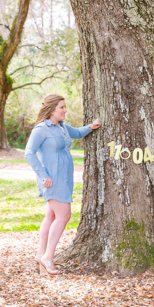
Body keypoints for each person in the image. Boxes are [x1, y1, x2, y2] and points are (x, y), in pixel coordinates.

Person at [25, 94, 101, 276]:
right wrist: (43, 175)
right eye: (61, 107)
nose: (65, 110)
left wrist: (90, 127)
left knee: (50, 216)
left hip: (63, 178)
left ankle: (40, 255)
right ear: (52, 110)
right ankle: (48, 257)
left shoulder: (62, 127)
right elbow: (29, 153)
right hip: (52, 179)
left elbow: (76, 133)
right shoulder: (41, 129)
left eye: (64, 107)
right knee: (64, 215)